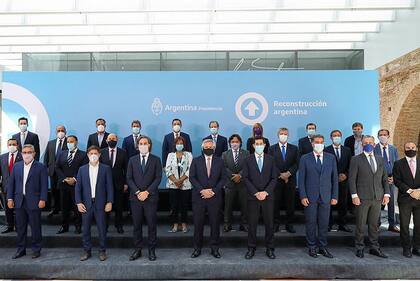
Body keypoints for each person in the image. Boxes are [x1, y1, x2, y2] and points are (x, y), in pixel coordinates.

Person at [349, 135, 390, 259]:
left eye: (370, 142)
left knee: (374, 225)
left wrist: (387, 194)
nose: (368, 144)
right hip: (362, 197)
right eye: (365, 142)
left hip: (377, 197)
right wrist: (354, 195)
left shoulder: (380, 159)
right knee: (360, 224)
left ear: (374, 144)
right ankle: (360, 247)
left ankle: (374, 248)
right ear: (362, 144)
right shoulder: (356, 159)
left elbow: (384, 179)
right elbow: (352, 179)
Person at [299, 134, 338, 258]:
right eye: (317, 142)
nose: (319, 144)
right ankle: (312, 247)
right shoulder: (305, 158)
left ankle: (322, 247)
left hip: (326, 196)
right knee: (310, 223)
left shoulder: (331, 158)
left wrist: (335, 196)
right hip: (310, 196)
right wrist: (303, 195)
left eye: (321, 142)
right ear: (312, 144)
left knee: (324, 223)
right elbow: (301, 179)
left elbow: (334, 179)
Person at [6, 144, 48, 259]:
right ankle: (21, 250)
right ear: (21, 154)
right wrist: (10, 198)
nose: (26, 154)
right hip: (19, 201)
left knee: (35, 227)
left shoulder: (41, 167)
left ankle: (36, 249)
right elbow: (11, 184)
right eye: (24, 152)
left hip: (35, 201)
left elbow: (44, 185)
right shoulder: (17, 166)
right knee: (20, 227)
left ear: (34, 153)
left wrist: (43, 199)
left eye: (29, 152)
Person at [127, 136, 162, 261]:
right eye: (140, 143)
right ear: (137, 145)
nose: (142, 145)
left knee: (152, 225)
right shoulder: (132, 160)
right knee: (137, 225)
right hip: (135, 198)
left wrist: (147, 192)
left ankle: (151, 250)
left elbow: (158, 178)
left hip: (150, 198)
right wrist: (137, 192)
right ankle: (138, 250)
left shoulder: (156, 160)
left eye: (145, 143)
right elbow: (129, 178)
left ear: (149, 145)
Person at [76, 146, 114, 261]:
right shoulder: (82, 169)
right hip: (86, 204)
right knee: (86, 229)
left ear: (99, 155)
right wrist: (78, 202)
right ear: (87, 155)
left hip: (101, 204)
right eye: (91, 153)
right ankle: (87, 251)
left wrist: (109, 202)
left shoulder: (105, 169)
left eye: (95, 153)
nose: (93, 155)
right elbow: (78, 188)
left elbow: (110, 187)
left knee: (102, 229)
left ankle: (102, 251)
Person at [189, 139, 226, 259]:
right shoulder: (195, 161)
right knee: (198, 224)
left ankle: (214, 248)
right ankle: (197, 248)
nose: (208, 148)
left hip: (214, 197)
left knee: (215, 224)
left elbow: (223, 179)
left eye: (210, 146)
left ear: (214, 148)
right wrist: (202, 190)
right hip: (199, 197)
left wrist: (213, 191)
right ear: (202, 148)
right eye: (206, 146)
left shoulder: (220, 161)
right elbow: (192, 177)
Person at [243, 136, 277, 260]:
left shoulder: (271, 159)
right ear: (253, 146)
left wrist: (266, 192)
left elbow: (274, 178)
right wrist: (256, 192)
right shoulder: (247, 160)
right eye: (256, 144)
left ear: (264, 145)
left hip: (268, 197)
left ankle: (270, 248)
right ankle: (251, 248)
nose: (258, 145)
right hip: (253, 197)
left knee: (269, 224)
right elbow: (245, 178)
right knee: (252, 224)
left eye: (261, 143)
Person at [268, 127, 299, 233]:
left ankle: (289, 224)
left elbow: (296, 163)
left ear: (288, 135)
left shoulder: (294, 148)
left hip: (290, 180)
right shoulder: (272, 148)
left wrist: (288, 174)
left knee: (290, 204)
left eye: (285, 134)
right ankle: (276, 224)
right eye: (281, 133)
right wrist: (281, 175)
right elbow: (271, 163)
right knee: (275, 203)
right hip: (276, 180)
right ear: (278, 135)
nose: (283, 135)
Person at [55, 135, 88, 234]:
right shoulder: (61, 154)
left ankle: (78, 226)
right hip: (64, 184)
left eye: (71, 141)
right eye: (68, 141)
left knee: (76, 207)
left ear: (76, 142)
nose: (69, 143)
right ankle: (64, 226)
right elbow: (57, 167)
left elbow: (83, 168)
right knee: (64, 207)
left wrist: (74, 179)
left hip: (77, 185)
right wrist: (64, 178)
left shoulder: (83, 154)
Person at [393, 142, 420, 258]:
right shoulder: (398, 163)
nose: (410, 149)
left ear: (417, 149)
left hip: (419, 197)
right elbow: (397, 180)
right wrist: (410, 191)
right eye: (408, 148)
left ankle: (417, 247)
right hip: (405, 199)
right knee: (404, 225)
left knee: (418, 225)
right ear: (404, 149)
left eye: (413, 148)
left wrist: (419, 191)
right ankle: (406, 248)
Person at [100, 133, 128, 234]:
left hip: (119, 184)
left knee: (119, 207)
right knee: (105, 206)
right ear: (107, 140)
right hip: (104, 185)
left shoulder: (123, 152)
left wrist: (126, 183)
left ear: (117, 140)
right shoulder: (101, 152)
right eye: (110, 138)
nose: (112, 140)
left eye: (114, 138)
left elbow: (126, 169)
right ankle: (105, 226)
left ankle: (119, 226)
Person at [325, 130, 352, 232]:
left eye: (338, 135)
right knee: (329, 203)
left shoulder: (347, 150)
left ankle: (343, 224)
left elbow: (351, 165)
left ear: (341, 137)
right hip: (330, 181)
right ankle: (329, 223)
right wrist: (335, 176)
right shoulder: (326, 150)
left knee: (343, 203)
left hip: (344, 181)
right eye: (334, 136)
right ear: (331, 138)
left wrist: (345, 174)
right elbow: (325, 166)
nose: (336, 137)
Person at [165, 136, 193, 233]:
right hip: (173, 185)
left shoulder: (188, 155)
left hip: (185, 184)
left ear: (184, 145)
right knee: (174, 206)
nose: (179, 145)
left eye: (181, 143)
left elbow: (191, 169)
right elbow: (167, 170)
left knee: (184, 205)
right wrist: (176, 181)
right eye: (178, 143)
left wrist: (181, 180)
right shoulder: (170, 155)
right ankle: (175, 225)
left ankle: (184, 225)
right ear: (175, 145)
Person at [374, 129, 400, 233]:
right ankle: (376, 224)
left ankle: (392, 224)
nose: (383, 136)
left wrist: (393, 177)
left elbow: (397, 164)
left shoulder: (393, 149)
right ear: (378, 136)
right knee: (378, 203)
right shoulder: (374, 149)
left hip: (391, 179)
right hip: (378, 180)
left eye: (385, 135)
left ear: (388, 136)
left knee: (391, 203)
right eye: (381, 135)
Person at [222, 134, 249, 232]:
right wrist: (234, 177)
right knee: (228, 206)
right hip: (230, 184)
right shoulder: (225, 154)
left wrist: (240, 176)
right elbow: (224, 168)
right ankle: (227, 224)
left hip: (243, 184)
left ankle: (244, 224)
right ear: (229, 143)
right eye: (232, 142)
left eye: (236, 142)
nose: (234, 143)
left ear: (240, 143)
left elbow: (247, 166)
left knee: (244, 205)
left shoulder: (246, 153)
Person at [44, 125, 68, 218]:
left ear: (65, 131)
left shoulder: (69, 142)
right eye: (58, 130)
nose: (60, 132)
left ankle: (65, 209)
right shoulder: (50, 143)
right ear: (56, 132)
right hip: (52, 171)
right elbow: (46, 158)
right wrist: (46, 169)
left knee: (64, 192)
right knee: (54, 191)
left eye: (62, 130)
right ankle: (54, 209)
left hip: (64, 172)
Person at [0, 138, 22, 233]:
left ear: (17, 145)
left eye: (14, 144)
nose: (12, 146)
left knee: (18, 208)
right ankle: (9, 226)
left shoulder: (22, 156)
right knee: (8, 209)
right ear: (7, 145)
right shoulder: (2, 157)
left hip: (19, 187)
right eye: (10, 144)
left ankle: (18, 226)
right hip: (6, 187)